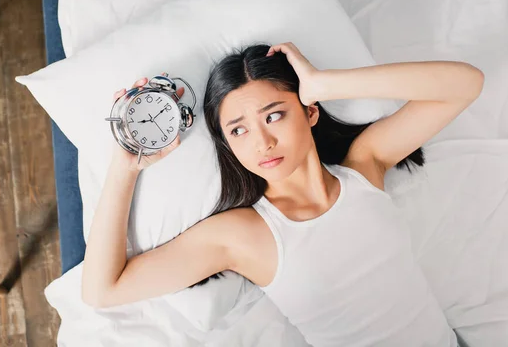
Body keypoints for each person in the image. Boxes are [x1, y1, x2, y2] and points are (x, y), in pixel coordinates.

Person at [81, 42, 484, 346]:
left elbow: (466, 84)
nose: (263, 142)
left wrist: (324, 83)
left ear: (310, 112)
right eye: (238, 130)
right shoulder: (244, 234)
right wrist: (126, 166)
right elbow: (103, 290)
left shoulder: (365, 166)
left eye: (274, 115)